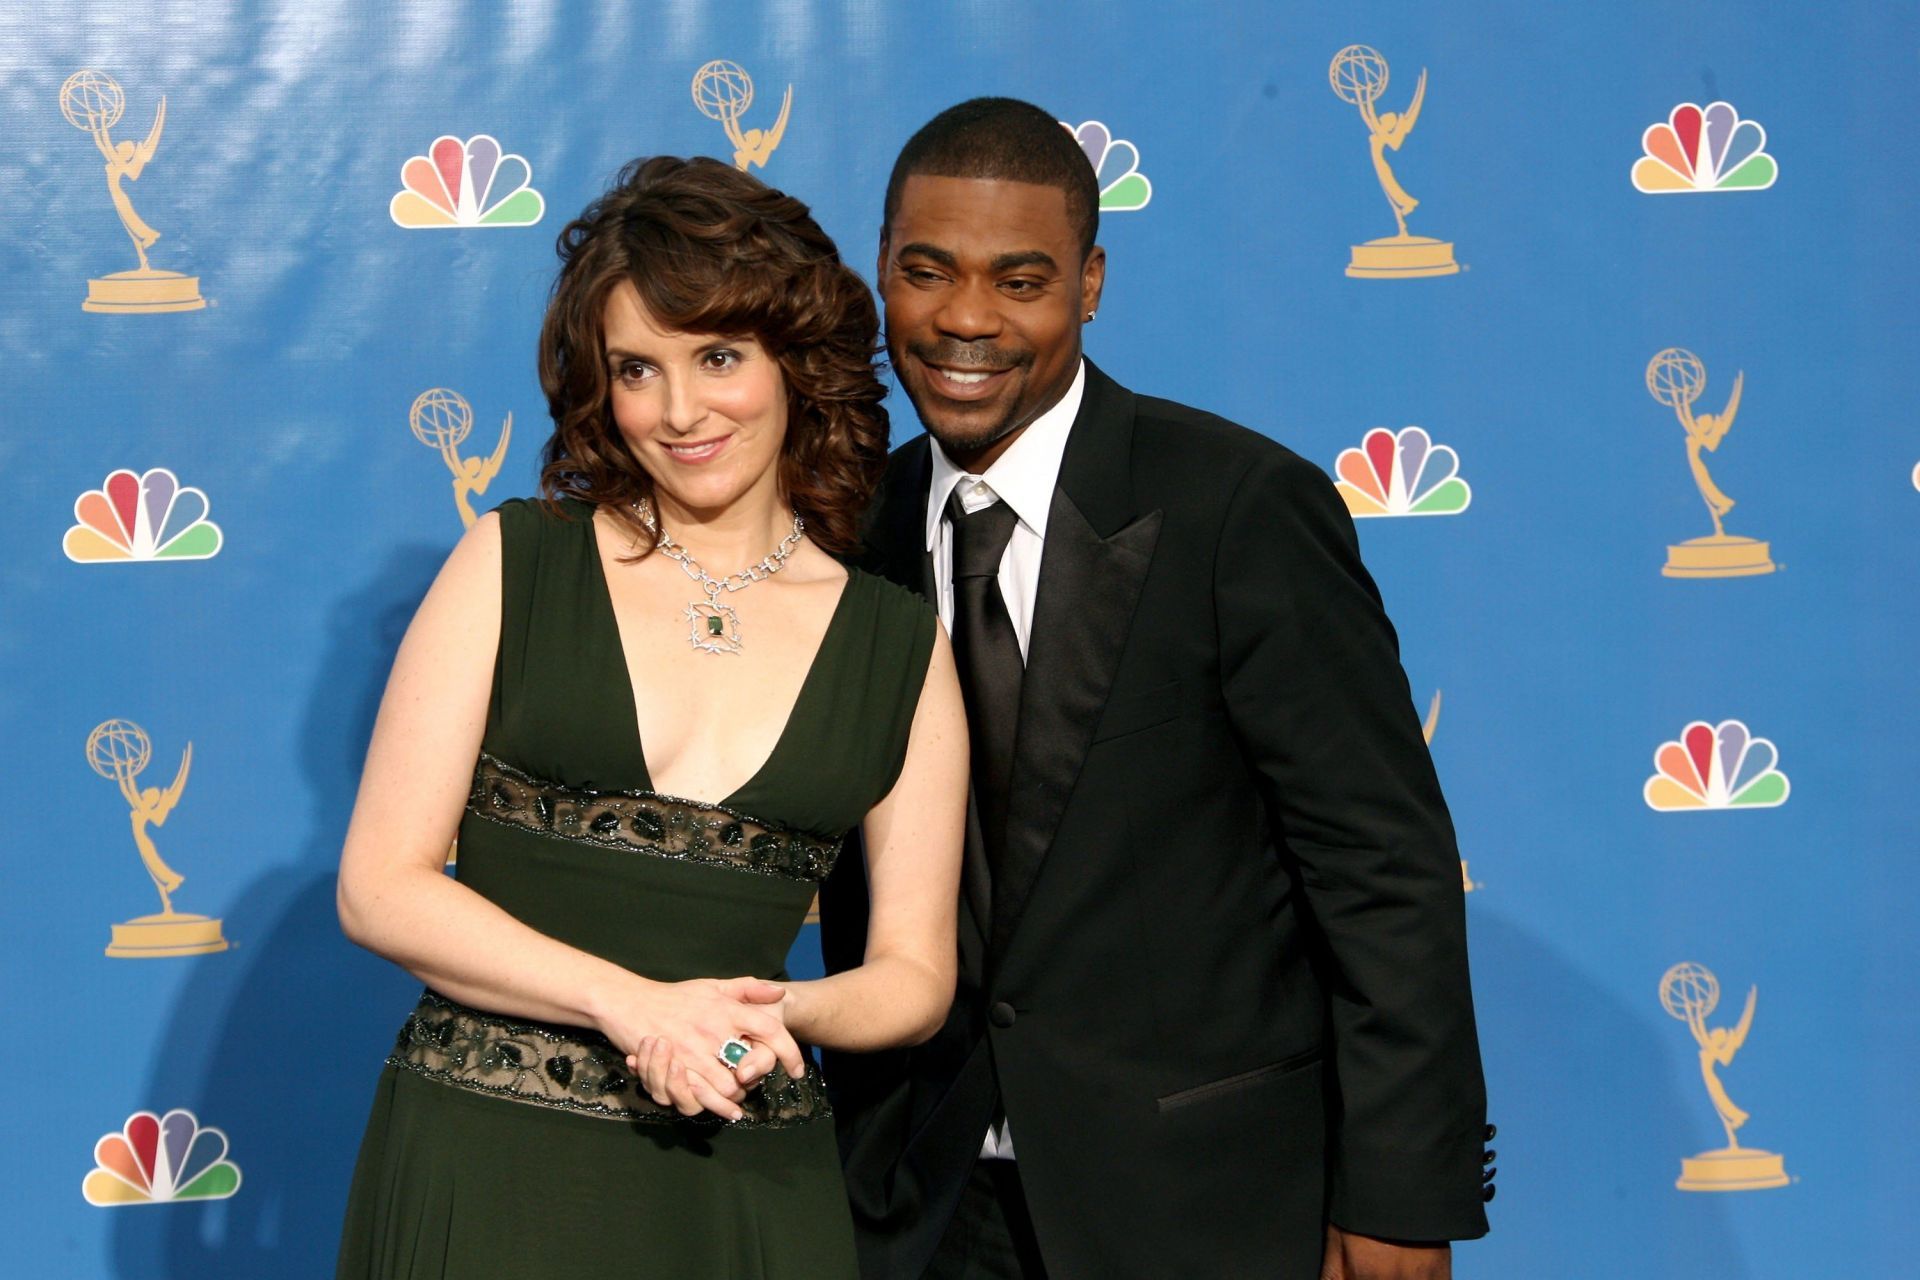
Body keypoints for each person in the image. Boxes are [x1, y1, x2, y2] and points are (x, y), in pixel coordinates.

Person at [819, 98, 1494, 1279]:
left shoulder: (1238, 510)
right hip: (911, 1205)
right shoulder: (841, 533)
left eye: (1020, 280)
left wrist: (1400, 1195)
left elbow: (1384, 873)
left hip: (1203, 1207)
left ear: (1090, 284)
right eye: (928, 271)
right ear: (883, 268)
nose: (965, 318)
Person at [334, 155, 968, 1278]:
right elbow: (383, 884)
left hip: (740, 1191)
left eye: (717, 357)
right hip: (485, 1175)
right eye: (637, 369)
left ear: (792, 359)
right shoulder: (513, 562)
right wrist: (633, 1007)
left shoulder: (896, 644)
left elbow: (915, 974)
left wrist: (779, 1015)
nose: (680, 412)